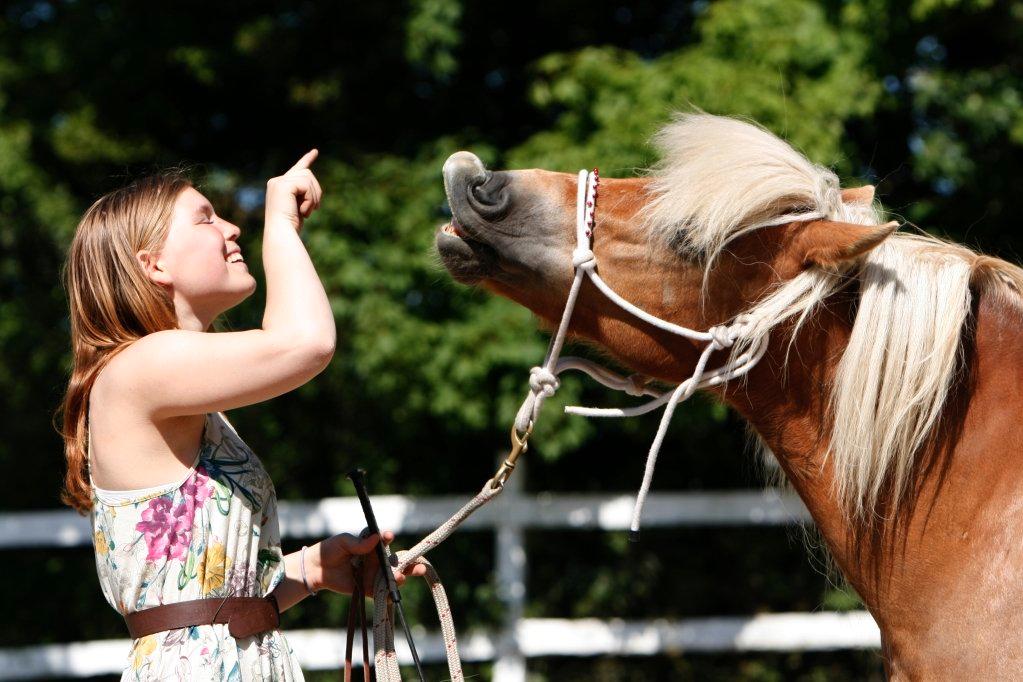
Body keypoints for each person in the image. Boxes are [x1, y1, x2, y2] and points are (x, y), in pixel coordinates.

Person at [57, 150, 423, 680]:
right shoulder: (142, 366)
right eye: (205, 218)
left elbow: (200, 599)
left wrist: (311, 569)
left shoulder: (176, 384)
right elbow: (306, 343)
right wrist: (280, 223)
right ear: (153, 265)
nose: (232, 228)